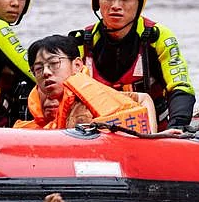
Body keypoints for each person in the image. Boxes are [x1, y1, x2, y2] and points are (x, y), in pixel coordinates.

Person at [70, 0, 196, 130]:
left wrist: (178, 126)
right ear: (97, 0)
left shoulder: (158, 38)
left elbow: (181, 86)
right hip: (95, 132)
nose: (116, 6)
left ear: (139, 3)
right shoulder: (80, 42)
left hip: (154, 130)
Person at [14, 35, 152, 132]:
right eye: (38, 69)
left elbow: (144, 99)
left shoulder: (96, 96)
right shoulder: (39, 107)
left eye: (54, 63)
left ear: (77, 65)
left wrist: (151, 138)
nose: (45, 72)